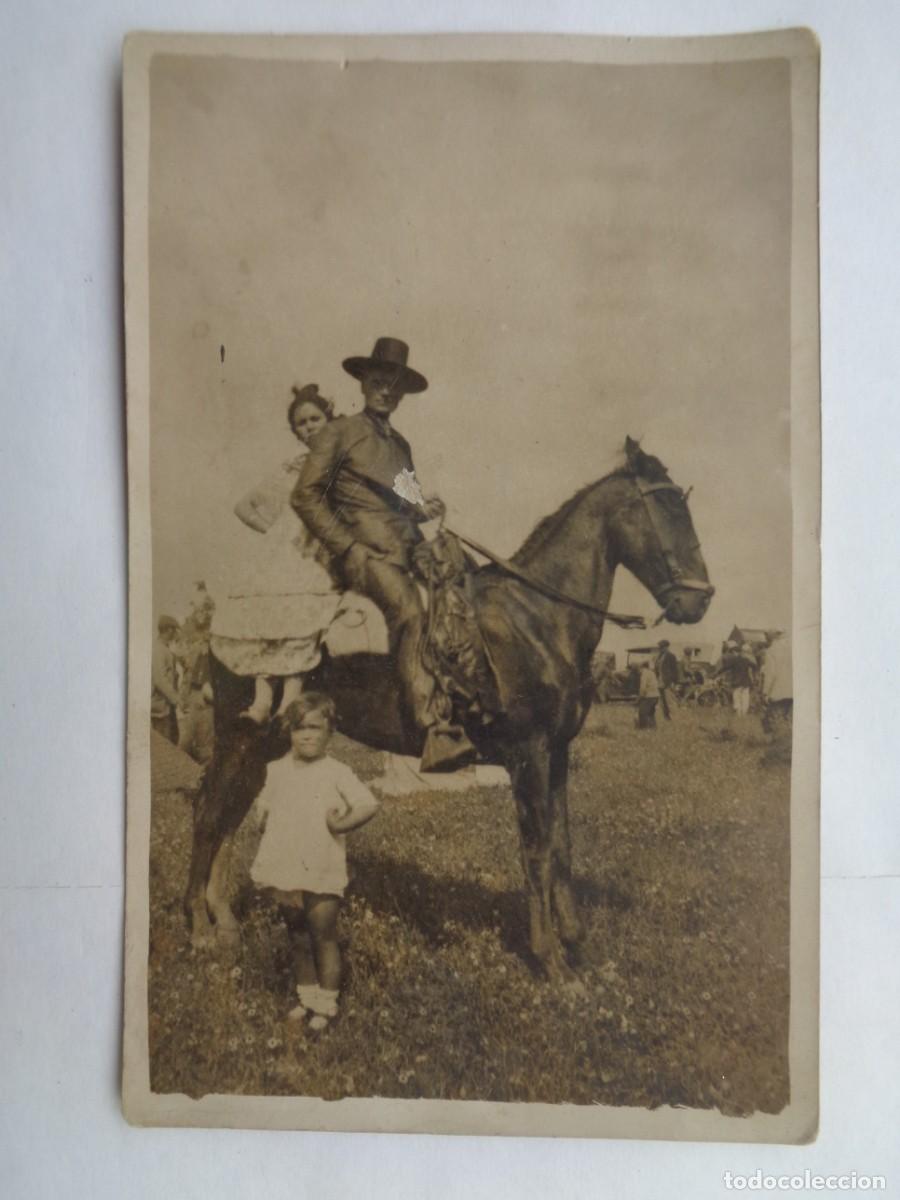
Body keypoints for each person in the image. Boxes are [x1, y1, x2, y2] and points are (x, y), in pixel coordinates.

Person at [292, 337, 476, 772]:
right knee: (411, 614)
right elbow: (305, 496)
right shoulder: (337, 433)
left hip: (407, 545)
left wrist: (424, 506)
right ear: (363, 383)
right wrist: (347, 547)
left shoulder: (401, 445)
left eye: (394, 384)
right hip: (364, 553)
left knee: (468, 587)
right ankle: (433, 729)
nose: (385, 390)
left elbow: (407, 497)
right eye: (378, 381)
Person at [210, 385, 342, 724]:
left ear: (329, 419)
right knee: (267, 616)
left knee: (301, 615)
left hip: (321, 552)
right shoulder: (291, 468)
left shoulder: (343, 460)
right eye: (302, 423)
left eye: (316, 418)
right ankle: (263, 699)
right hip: (285, 553)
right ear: (295, 431)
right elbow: (243, 507)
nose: (310, 426)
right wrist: (275, 530)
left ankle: (290, 701)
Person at [249, 693, 380, 1031]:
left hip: (320, 866)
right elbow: (264, 803)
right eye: (298, 728)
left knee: (323, 934)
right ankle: (305, 998)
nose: (306, 735)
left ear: (330, 732)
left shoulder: (336, 771)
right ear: (288, 732)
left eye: (314, 728)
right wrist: (261, 817)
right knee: (296, 934)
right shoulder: (276, 769)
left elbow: (367, 804)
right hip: (286, 866)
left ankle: (326, 1003)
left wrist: (340, 823)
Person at [151, 615, 181, 742]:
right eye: (174, 630)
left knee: (173, 739)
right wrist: (177, 699)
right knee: (165, 744)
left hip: (167, 707)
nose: (175, 634)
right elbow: (160, 680)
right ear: (169, 630)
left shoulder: (165, 649)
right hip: (160, 710)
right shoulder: (158, 650)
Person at [654, 638, 679, 720]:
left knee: (669, 700)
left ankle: (674, 717)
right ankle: (666, 717)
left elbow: (674, 670)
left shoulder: (671, 656)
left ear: (667, 647)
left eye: (662, 647)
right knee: (662, 701)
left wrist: (674, 682)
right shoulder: (659, 656)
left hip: (668, 681)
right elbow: (656, 668)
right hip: (660, 681)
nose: (660, 649)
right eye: (660, 647)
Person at [636, 660, 659, 729]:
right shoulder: (652, 673)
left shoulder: (644, 674)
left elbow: (643, 688)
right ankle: (653, 728)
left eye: (638, 669)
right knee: (651, 713)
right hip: (656, 695)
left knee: (642, 713)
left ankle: (643, 729)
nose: (638, 671)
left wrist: (639, 699)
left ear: (641, 667)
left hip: (649, 696)